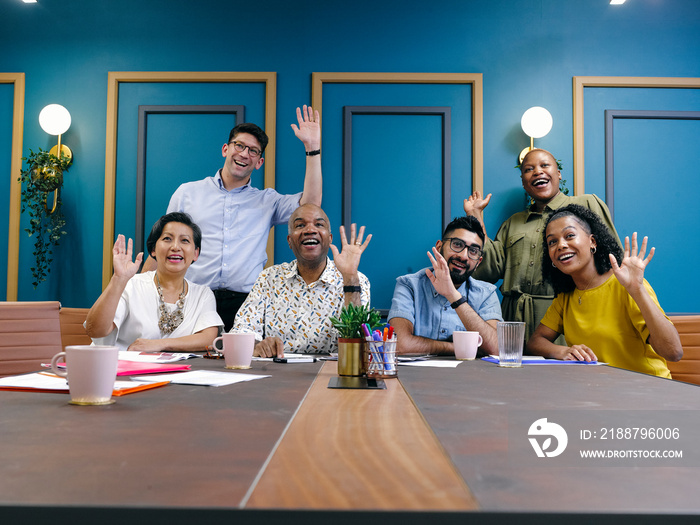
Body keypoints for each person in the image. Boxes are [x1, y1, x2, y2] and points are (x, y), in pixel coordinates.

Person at [142, 106, 323, 331]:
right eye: (239, 146)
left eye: (253, 151)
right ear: (226, 149)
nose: (245, 153)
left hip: (247, 305)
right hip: (194, 299)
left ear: (259, 162)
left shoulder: (267, 201)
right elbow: (162, 247)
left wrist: (312, 148)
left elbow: (311, 206)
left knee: (242, 365)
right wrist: (138, 292)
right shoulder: (187, 193)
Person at [464, 148, 620, 342]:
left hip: (565, 314)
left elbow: (613, 260)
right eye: (529, 169)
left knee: (565, 368)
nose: (537, 171)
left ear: (558, 173)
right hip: (513, 320)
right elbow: (489, 270)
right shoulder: (513, 222)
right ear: (524, 182)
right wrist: (475, 216)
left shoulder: (586, 204)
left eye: (545, 165)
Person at [526, 204, 682, 377]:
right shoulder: (566, 297)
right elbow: (535, 342)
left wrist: (637, 289)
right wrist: (562, 352)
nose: (561, 245)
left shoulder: (626, 285)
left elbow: (673, 352)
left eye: (569, 235)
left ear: (592, 242)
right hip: (599, 392)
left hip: (646, 392)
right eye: (552, 242)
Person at [233, 204, 371, 357]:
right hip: (277, 373)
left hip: (332, 373)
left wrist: (350, 277)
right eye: (300, 225)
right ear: (290, 241)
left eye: (319, 224)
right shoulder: (269, 278)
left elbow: (359, 342)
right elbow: (242, 331)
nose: (310, 230)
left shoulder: (356, 280)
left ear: (330, 239)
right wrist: (258, 346)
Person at [86, 212, 223, 352]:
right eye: (167, 239)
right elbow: (96, 331)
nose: (175, 247)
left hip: (173, 371)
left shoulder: (203, 294)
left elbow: (208, 338)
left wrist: (159, 344)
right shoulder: (132, 284)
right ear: (153, 250)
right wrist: (118, 279)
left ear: (195, 253)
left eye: (185, 241)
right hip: (117, 369)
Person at [388, 216, 503, 356]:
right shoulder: (409, 285)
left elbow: (497, 349)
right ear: (439, 247)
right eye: (457, 244)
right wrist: (462, 348)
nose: (464, 256)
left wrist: (453, 295)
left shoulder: (486, 294)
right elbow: (400, 345)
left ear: (478, 262)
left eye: (473, 251)